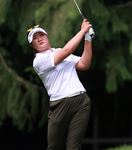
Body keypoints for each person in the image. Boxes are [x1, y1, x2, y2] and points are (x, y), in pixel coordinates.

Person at [27, 19, 93, 150]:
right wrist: (82, 31)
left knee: (74, 147)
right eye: (35, 38)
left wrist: (88, 38)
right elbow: (67, 50)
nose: (39, 39)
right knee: (54, 147)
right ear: (32, 45)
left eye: (41, 35)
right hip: (59, 105)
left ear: (47, 36)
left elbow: (84, 64)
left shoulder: (60, 51)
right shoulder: (39, 61)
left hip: (81, 102)